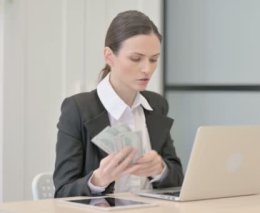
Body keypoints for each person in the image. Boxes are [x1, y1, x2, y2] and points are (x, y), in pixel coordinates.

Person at [53, 10, 183, 198]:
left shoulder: (157, 105)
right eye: (136, 58)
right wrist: (98, 179)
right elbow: (62, 192)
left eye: (154, 59)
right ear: (109, 56)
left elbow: (178, 180)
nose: (147, 69)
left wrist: (160, 169)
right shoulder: (78, 109)